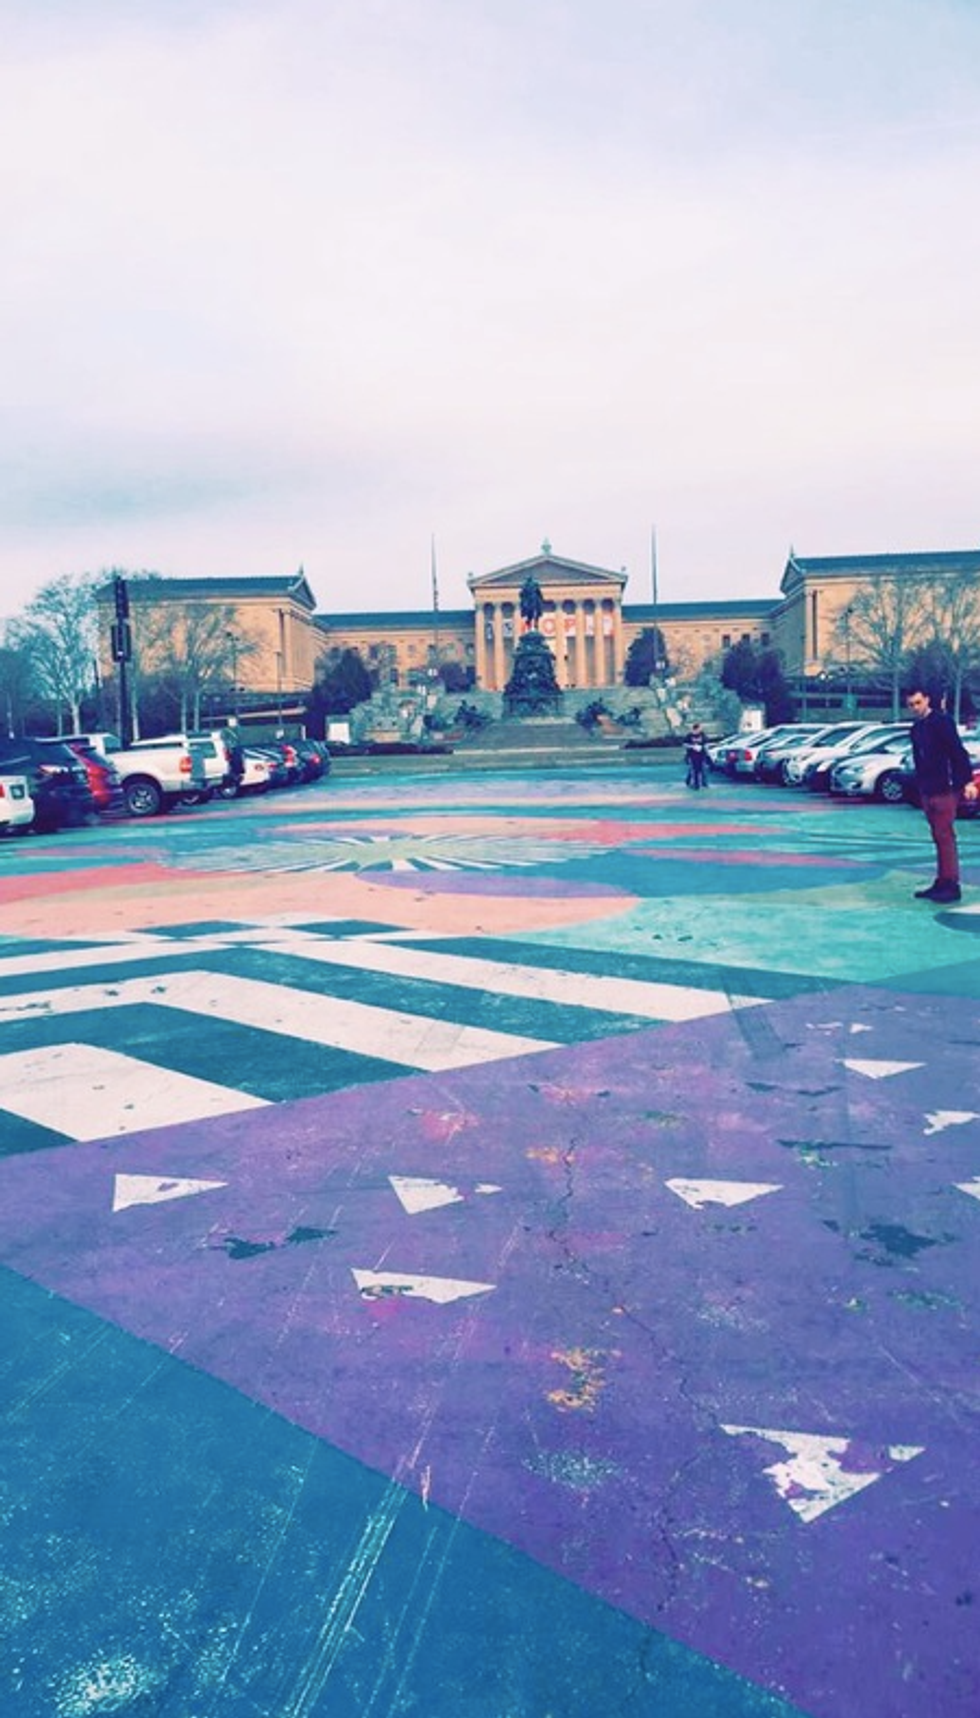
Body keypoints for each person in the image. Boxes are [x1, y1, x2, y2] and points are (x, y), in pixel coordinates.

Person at [904, 683, 977, 902]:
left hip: (946, 787)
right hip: (928, 788)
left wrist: (967, 782)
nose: (915, 708)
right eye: (911, 705)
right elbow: (919, 759)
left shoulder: (942, 722)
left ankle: (951, 884)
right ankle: (943, 880)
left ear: (927, 700)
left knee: (944, 835)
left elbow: (957, 752)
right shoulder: (917, 728)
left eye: (918, 703)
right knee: (938, 835)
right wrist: (920, 787)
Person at [684, 721, 709, 790]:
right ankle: (695, 784)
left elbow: (706, 743)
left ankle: (704, 783)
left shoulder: (702, 735)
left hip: (701, 755)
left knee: (703, 769)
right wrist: (692, 747)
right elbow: (685, 744)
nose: (700, 730)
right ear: (696, 729)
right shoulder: (689, 735)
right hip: (692, 755)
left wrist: (703, 747)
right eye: (699, 728)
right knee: (694, 770)